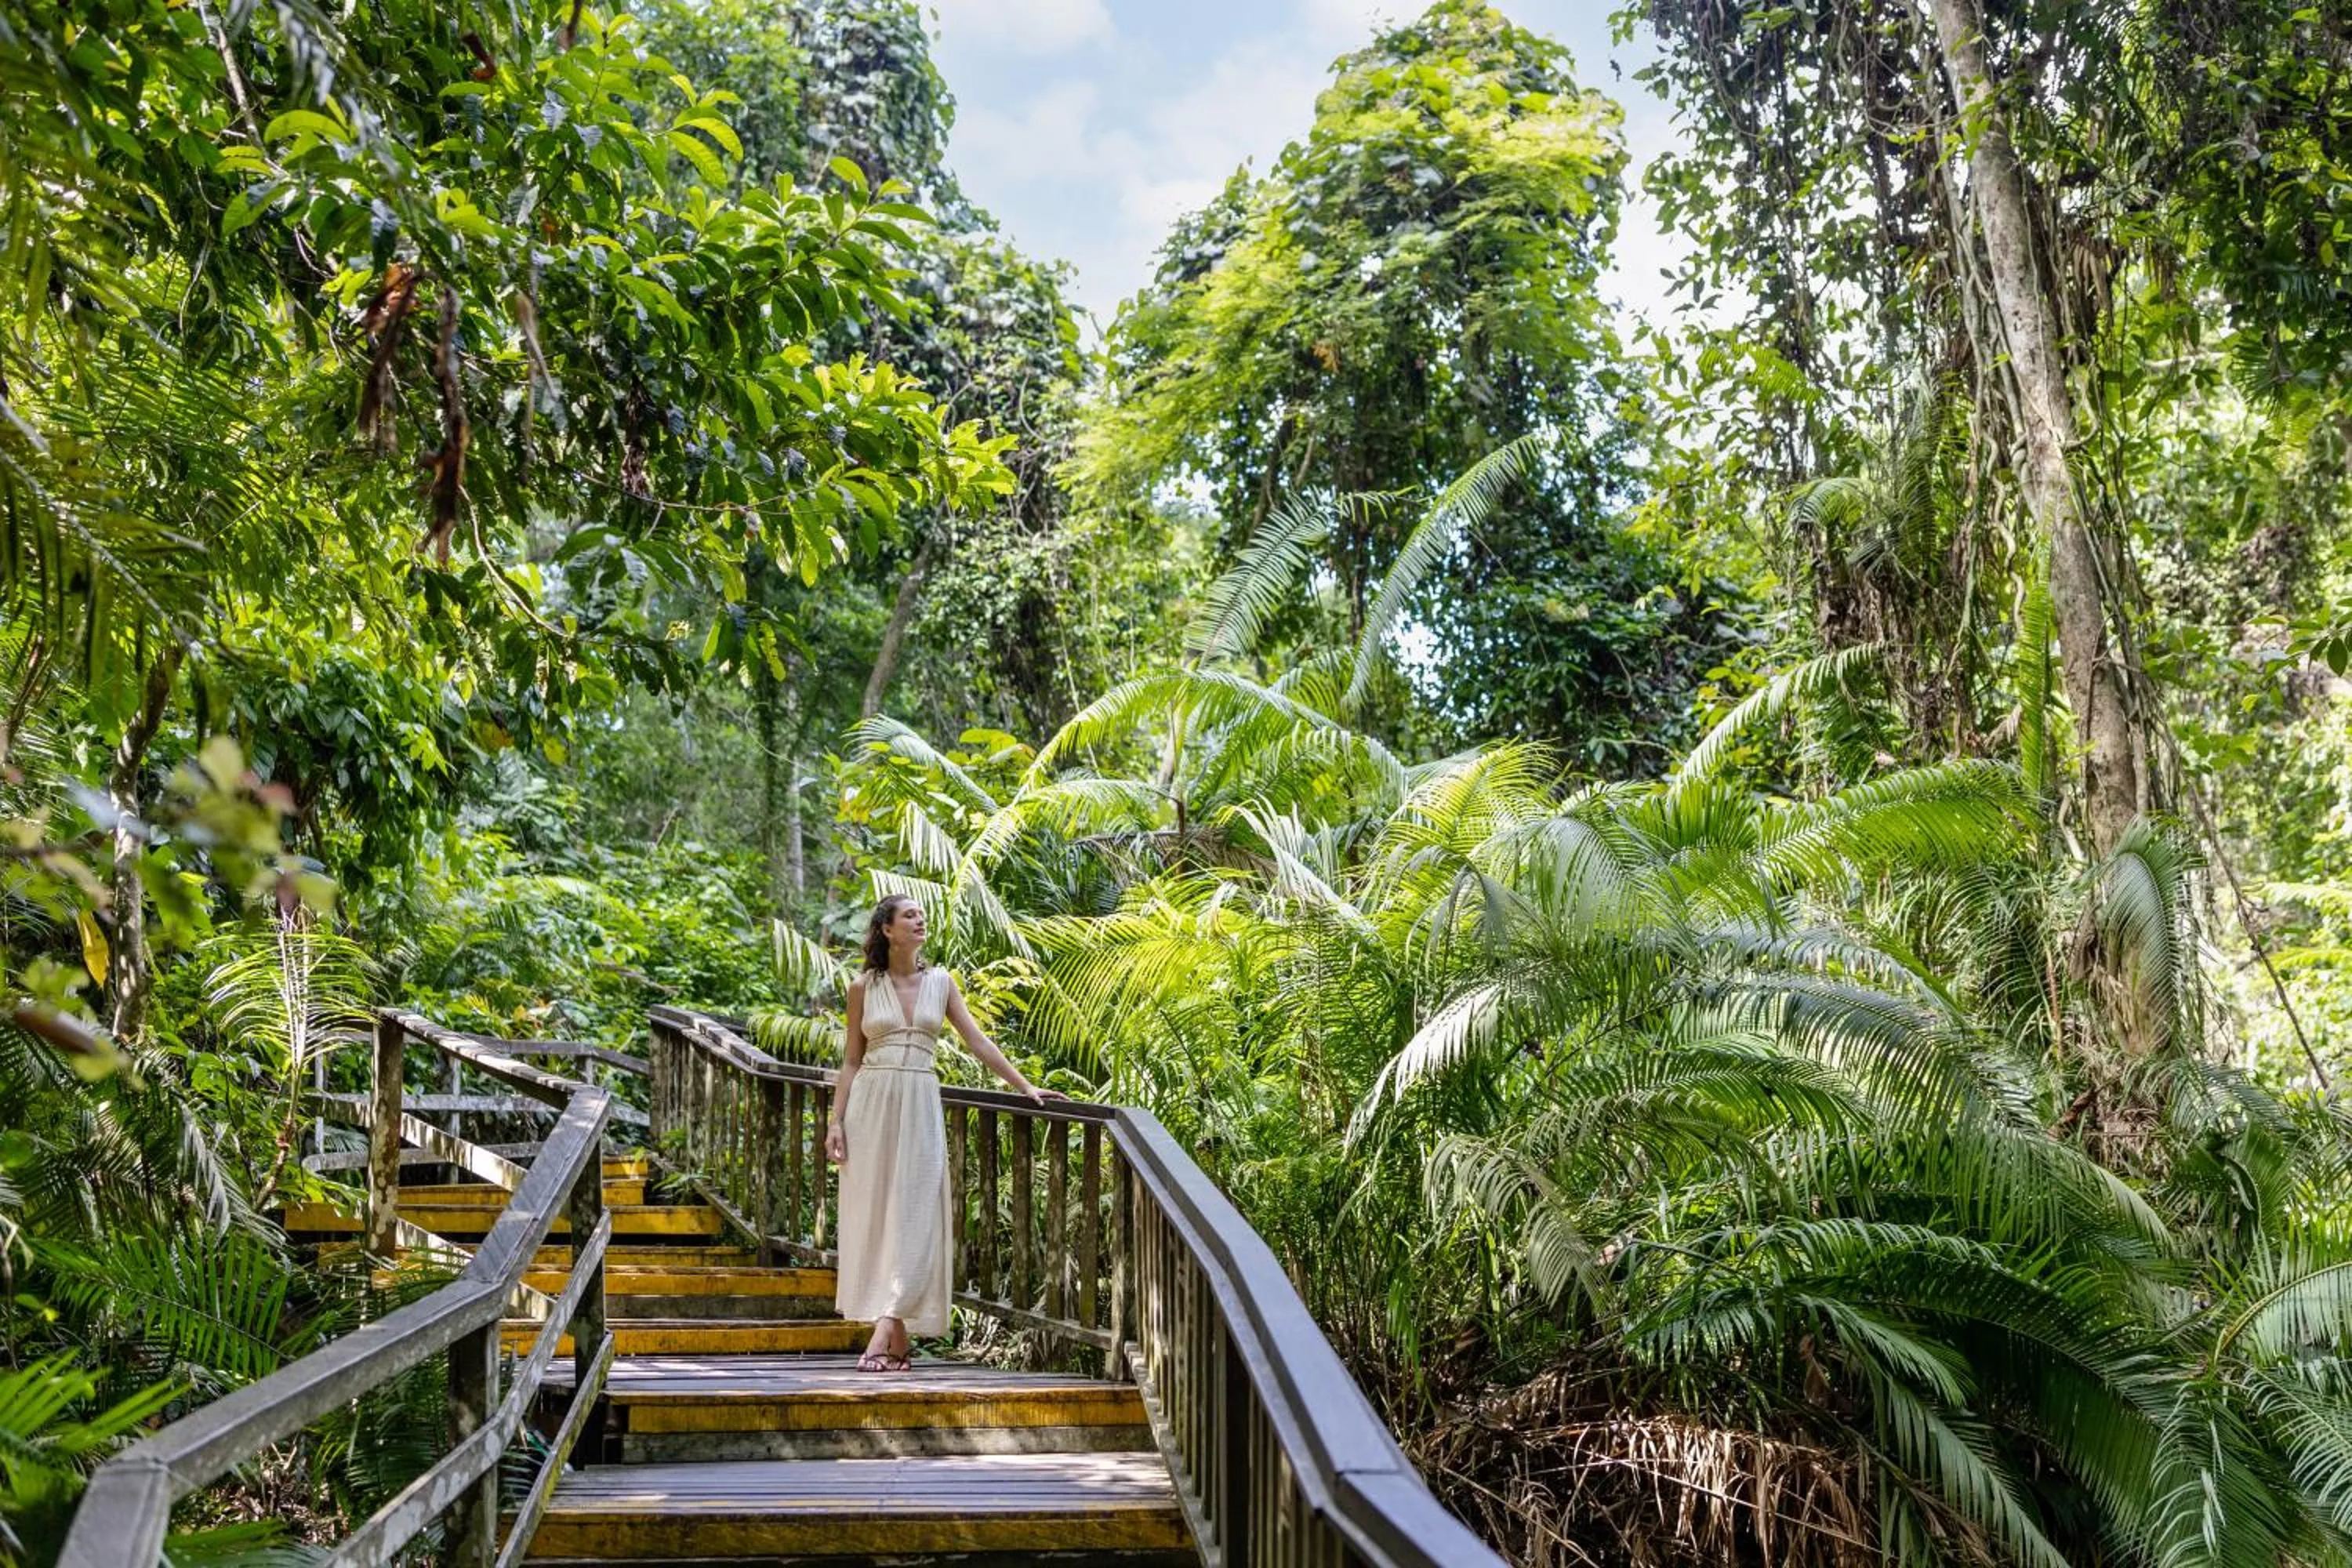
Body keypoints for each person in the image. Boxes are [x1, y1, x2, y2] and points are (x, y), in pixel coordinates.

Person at [824, 894, 1065, 1371]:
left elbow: (977, 1041)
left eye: (922, 916)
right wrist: (835, 1123)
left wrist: (1025, 1087)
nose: (920, 921)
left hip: (919, 1101)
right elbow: (851, 1060)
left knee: (916, 1213)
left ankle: (889, 1326)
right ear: (887, 929)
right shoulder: (862, 988)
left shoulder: (941, 982)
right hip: (871, 1104)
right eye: (909, 915)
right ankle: (892, 1334)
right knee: (874, 1214)